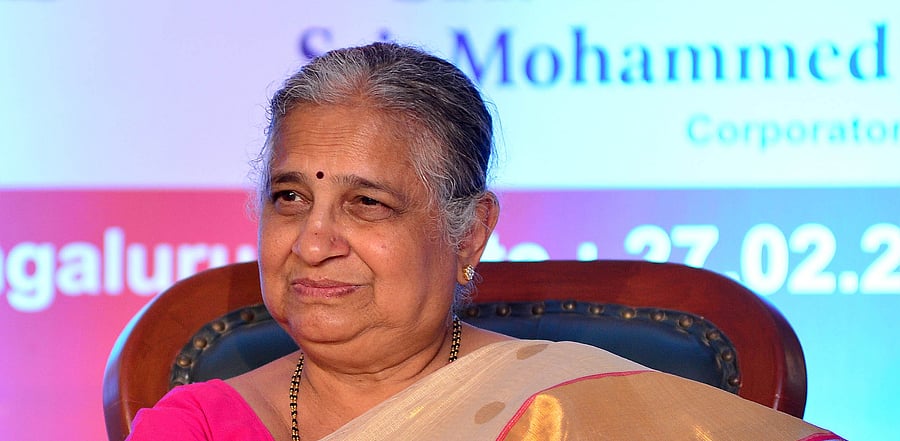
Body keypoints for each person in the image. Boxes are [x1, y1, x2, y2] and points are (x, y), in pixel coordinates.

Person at [126, 42, 842, 440]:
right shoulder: (199, 428)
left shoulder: (565, 411)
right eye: (290, 198)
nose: (313, 243)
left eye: (365, 204)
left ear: (469, 232)